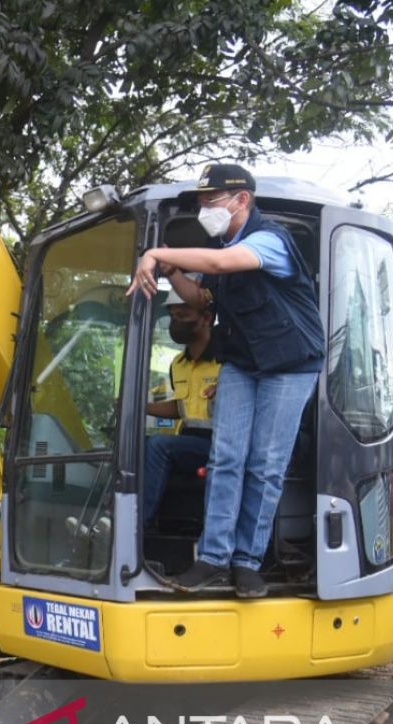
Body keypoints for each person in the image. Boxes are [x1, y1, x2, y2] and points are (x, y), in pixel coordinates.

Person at [126, 164, 324, 598]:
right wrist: (171, 274)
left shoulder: (269, 240)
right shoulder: (224, 244)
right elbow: (203, 297)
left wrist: (159, 253)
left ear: (242, 201)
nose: (204, 210)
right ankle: (213, 558)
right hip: (243, 363)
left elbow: (220, 263)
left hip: (290, 365)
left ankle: (247, 562)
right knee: (225, 459)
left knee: (265, 465)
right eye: (201, 202)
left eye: (211, 201)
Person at [143, 289, 220, 526]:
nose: (176, 323)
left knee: (159, 445)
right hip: (189, 442)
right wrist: (138, 406)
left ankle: (133, 525)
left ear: (206, 318)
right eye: (173, 316)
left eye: (183, 315)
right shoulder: (178, 364)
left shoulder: (228, 360)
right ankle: (109, 515)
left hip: (220, 445)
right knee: (136, 446)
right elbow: (180, 408)